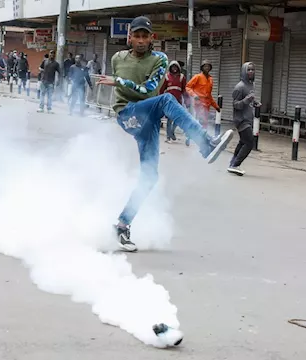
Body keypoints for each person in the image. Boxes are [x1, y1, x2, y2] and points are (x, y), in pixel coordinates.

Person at [97, 16, 233, 252]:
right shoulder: (117, 58)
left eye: (144, 36)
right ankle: (205, 144)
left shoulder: (160, 60)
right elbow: (126, 95)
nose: (140, 41)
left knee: (150, 177)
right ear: (129, 37)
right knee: (167, 100)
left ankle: (121, 225)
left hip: (148, 117)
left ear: (152, 38)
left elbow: (147, 90)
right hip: (128, 115)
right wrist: (116, 84)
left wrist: (117, 81)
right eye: (136, 36)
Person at [228, 62, 260, 176]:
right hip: (241, 119)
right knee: (249, 142)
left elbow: (248, 100)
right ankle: (235, 164)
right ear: (244, 71)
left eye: (252, 69)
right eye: (248, 70)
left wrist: (254, 102)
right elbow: (235, 105)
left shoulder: (251, 85)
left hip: (248, 118)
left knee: (243, 142)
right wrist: (246, 100)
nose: (251, 72)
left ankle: (233, 163)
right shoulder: (239, 87)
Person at [185, 59, 220, 145]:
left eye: (208, 66)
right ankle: (200, 140)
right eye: (205, 66)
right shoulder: (197, 77)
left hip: (207, 104)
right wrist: (194, 95)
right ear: (202, 67)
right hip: (199, 103)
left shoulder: (211, 79)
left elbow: (209, 95)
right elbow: (188, 87)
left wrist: (216, 106)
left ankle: (193, 138)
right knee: (201, 121)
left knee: (203, 123)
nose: (207, 68)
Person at [160, 60, 187, 143]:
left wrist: (187, 101)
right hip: (169, 102)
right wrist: (160, 100)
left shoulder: (182, 77)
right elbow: (162, 89)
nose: (174, 68)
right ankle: (168, 137)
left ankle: (172, 131)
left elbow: (184, 90)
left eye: (176, 67)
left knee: (178, 119)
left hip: (178, 101)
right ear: (170, 68)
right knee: (169, 120)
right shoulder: (167, 77)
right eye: (173, 67)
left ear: (178, 68)